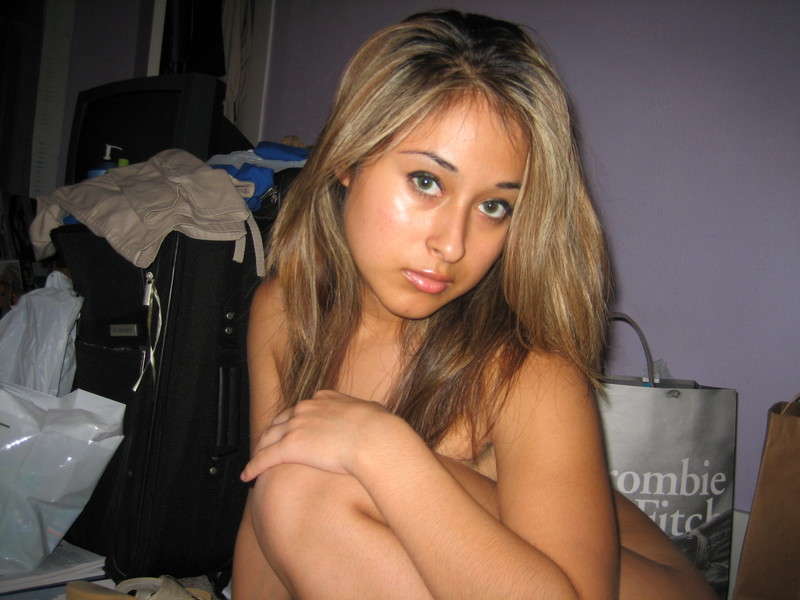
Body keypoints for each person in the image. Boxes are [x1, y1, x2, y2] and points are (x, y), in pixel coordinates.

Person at [232, 10, 716, 599]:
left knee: (316, 477)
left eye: (494, 207)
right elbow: (269, 515)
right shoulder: (286, 310)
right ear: (348, 158)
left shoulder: (528, 368)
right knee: (295, 479)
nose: (453, 245)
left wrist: (383, 449)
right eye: (426, 181)